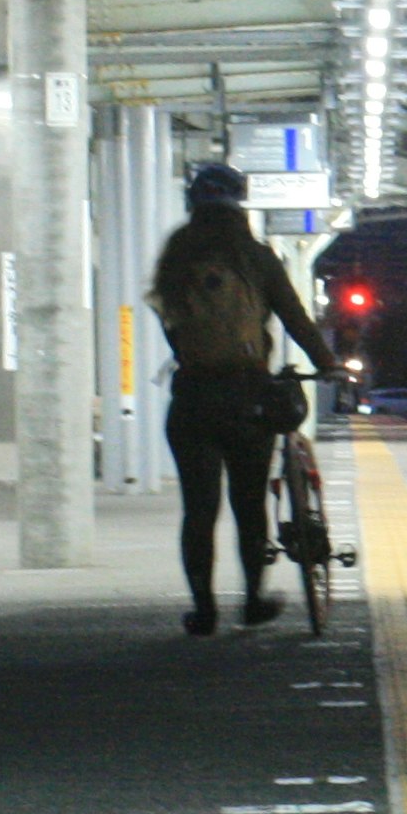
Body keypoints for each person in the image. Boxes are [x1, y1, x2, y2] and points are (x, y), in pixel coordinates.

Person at [147, 164, 336, 634]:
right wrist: (326, 362)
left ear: (195, 203)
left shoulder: (176, 255)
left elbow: (168, 318)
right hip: (247, 396)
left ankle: (203, 608)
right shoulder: (255, 256)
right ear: (239, 204)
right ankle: (252, 600)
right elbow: (295, 319)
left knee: (199, 508)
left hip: (192, 396)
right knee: (248, 504)